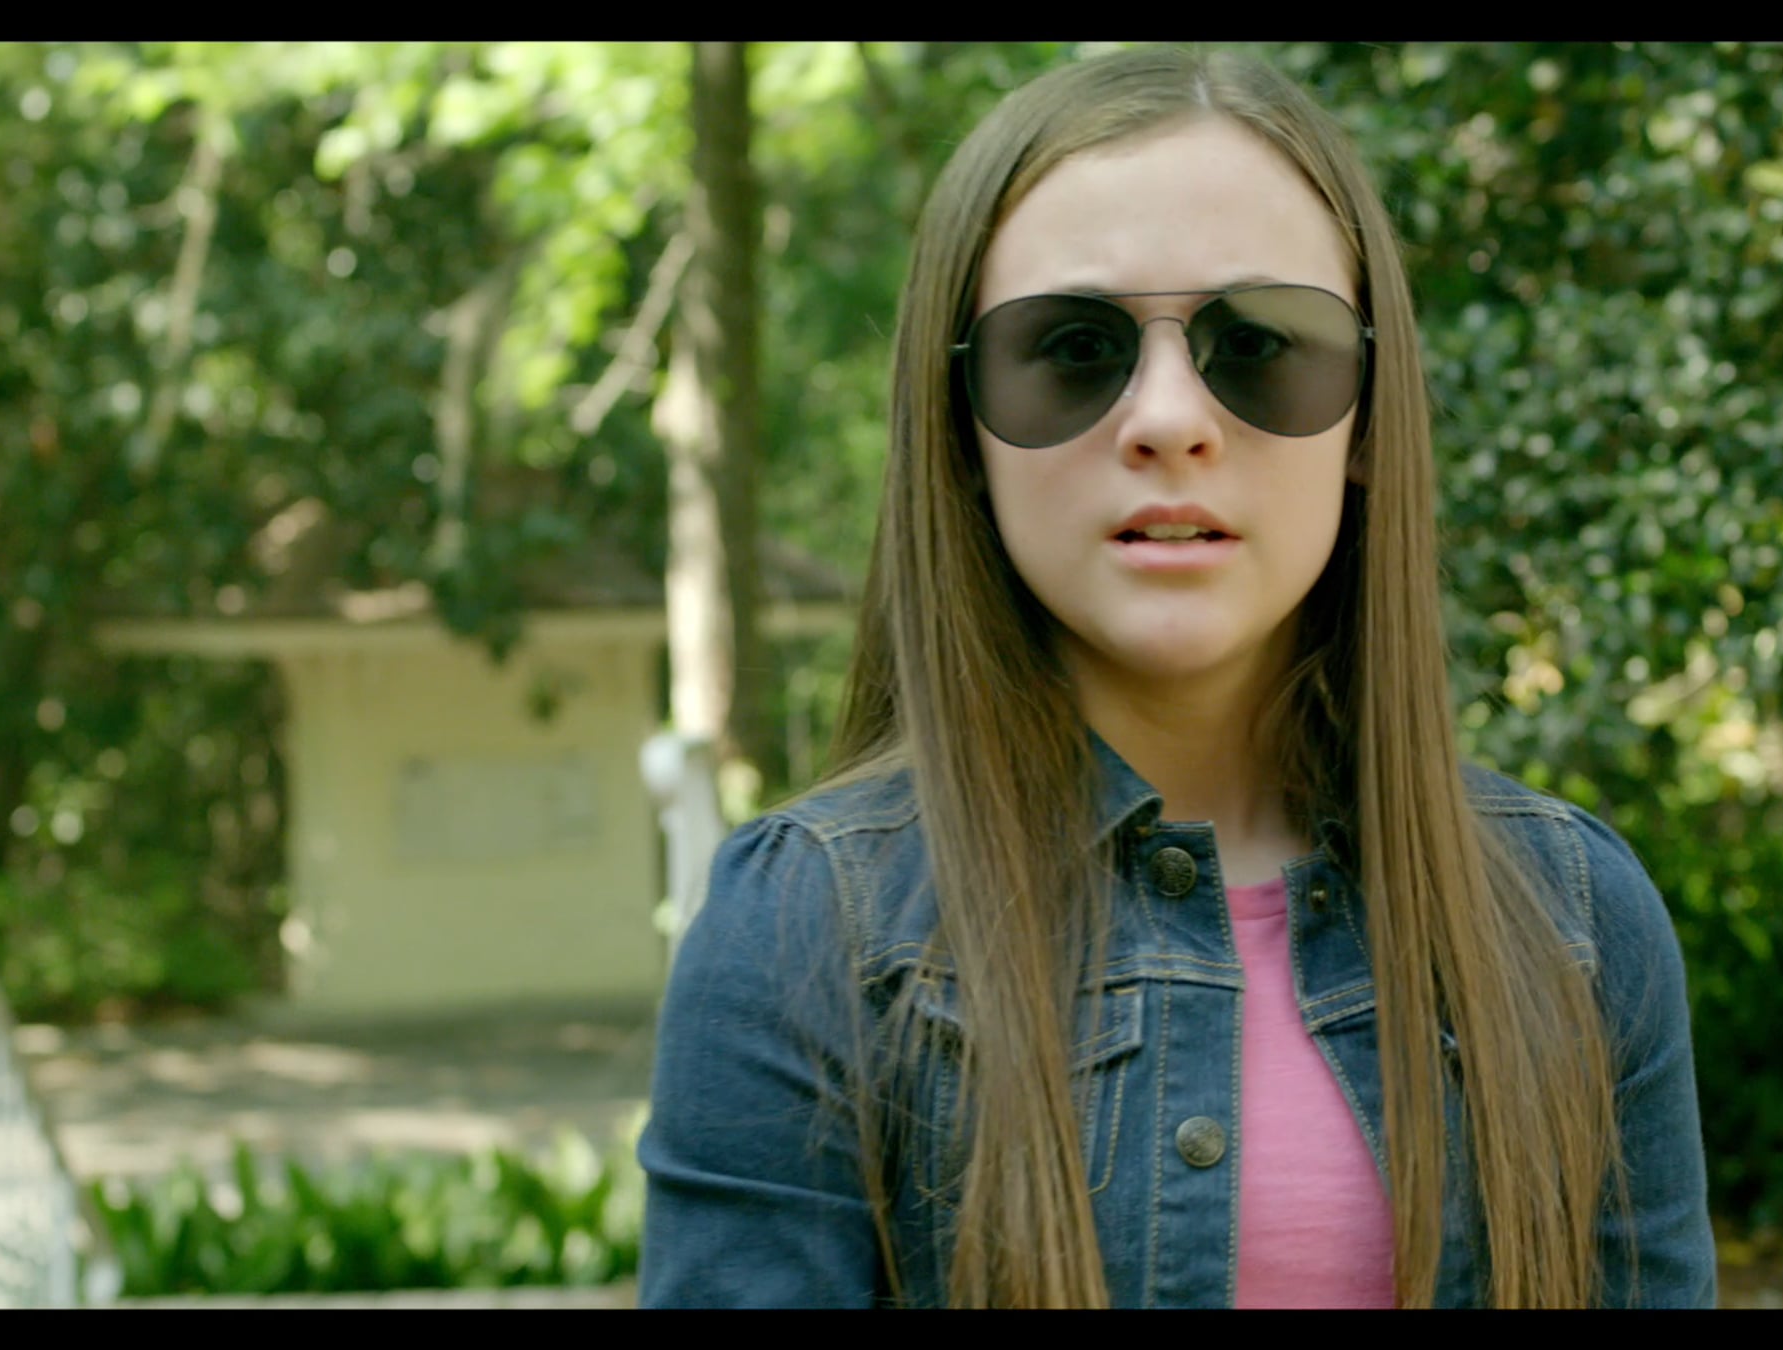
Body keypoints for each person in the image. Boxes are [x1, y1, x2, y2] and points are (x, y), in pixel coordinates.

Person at [636, 44, 1716, 1309]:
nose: (1166, 419)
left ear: (1370, 416)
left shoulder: (1574, 924)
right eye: (1072, 346)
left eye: (1256, 342)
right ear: (960, 427)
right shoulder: (800, 936)